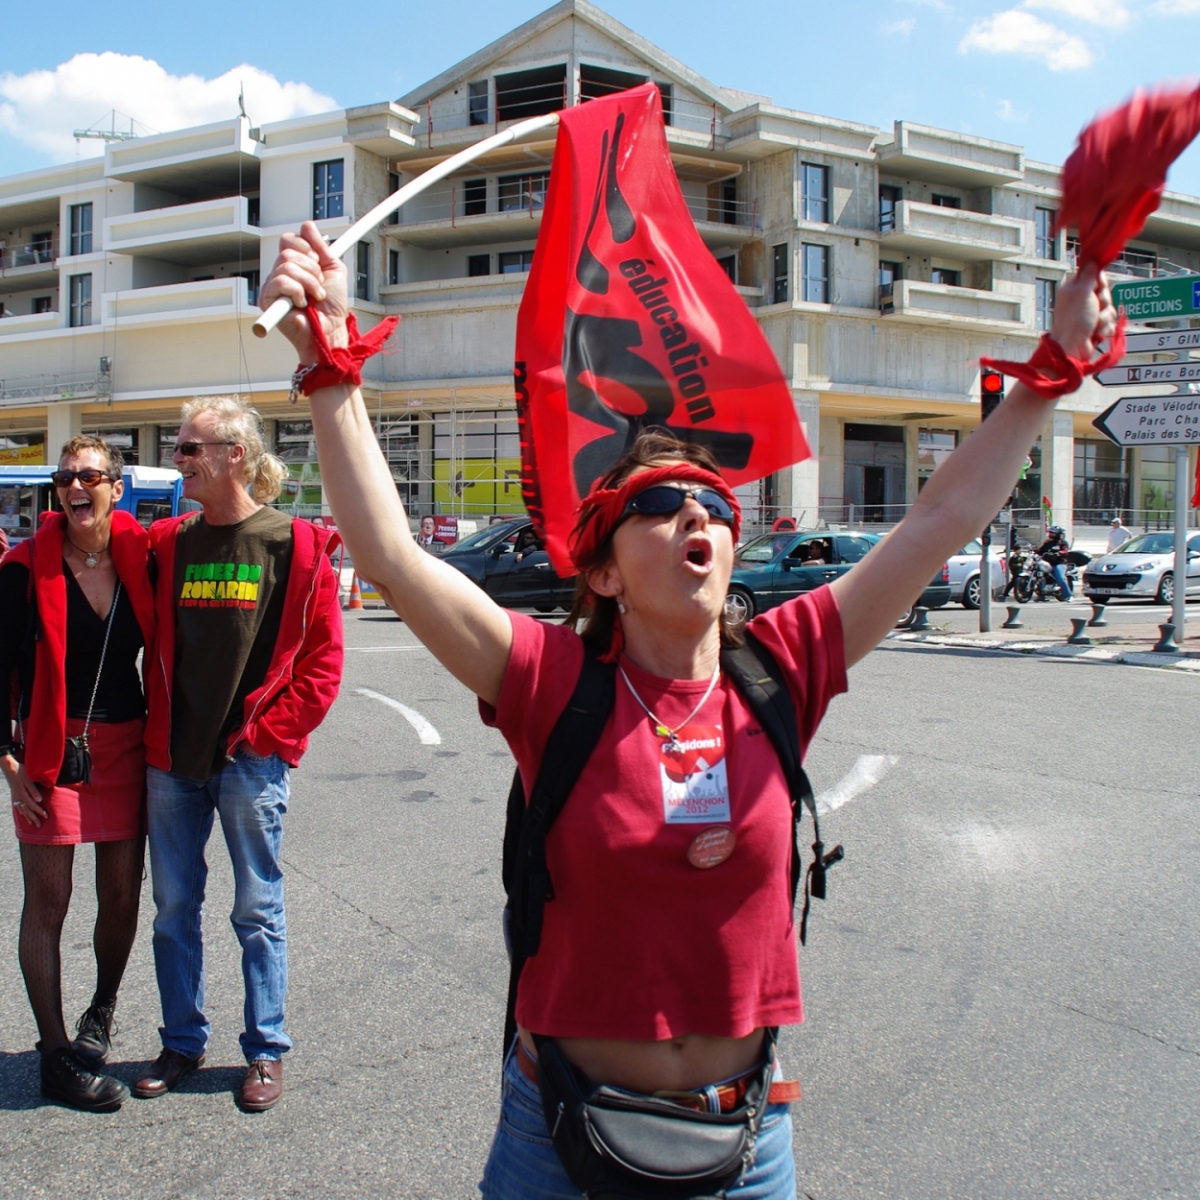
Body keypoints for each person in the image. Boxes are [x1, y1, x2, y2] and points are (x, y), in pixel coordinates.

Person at [260, 223, 1115, 1198]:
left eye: (712, 506)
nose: (695, 517)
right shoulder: (551, 681)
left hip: (746, 1146)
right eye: (660, 506)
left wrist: (1051, 373)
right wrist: (331, 362)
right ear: (604, 572)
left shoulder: (781, 669)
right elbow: (389, 557)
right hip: (559, 1139)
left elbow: (937, 522)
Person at [133, 397, 344, 1112]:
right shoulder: (167, 543)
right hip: (171, 756)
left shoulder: (297, 544)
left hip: (249, 759)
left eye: (191, 448)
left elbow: (322, 664)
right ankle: (183, 1040)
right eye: (180, 447)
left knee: (257, 910)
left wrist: (266, 736)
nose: (179, 459)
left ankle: (265, 1051)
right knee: (172, 908)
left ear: (234, 455)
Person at [1, 436, 156, 1111]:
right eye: (65, 477)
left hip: (126, 745)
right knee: (50, 902)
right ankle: (57, 1053)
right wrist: (6, 763)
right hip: (46, 750)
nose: (74, 486)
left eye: (89, 475)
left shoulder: (142, 558)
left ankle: (100, 1010)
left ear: (115, 487)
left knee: (121, 898)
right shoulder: (21, 567)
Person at [1036, 524, 1072, 600]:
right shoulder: (1047, 542)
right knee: (1038, 574)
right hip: (1047, 563)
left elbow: (1066, 550)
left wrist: (1059, 553)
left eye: (1053, 533)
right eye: (1051, 532)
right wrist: (1034, 550)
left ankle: (1068, 595)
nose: (1051, 534)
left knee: (1060, 578)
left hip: (1059, 563)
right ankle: (1041, 595)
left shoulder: (1062, 542)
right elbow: (1041, 551)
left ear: (1058, 534)